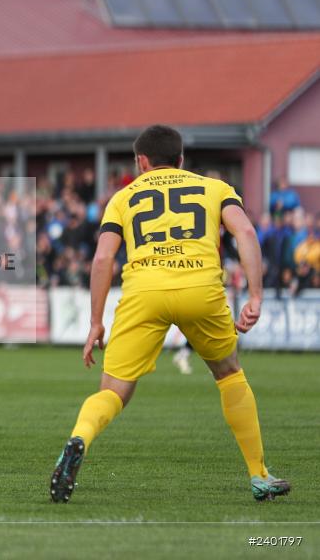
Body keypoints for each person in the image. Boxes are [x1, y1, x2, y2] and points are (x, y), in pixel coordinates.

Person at [49, 125, 289, 503]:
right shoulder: (216, 189)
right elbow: (245, 232)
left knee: (113, 390)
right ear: (180, 159)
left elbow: (102, 258)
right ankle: (259, 475)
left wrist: (96, 322)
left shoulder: (123, 197)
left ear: (141, 161)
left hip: (144, 292)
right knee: (229, 373)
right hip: (200, 289)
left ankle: (79, 438)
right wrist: (256, 295)